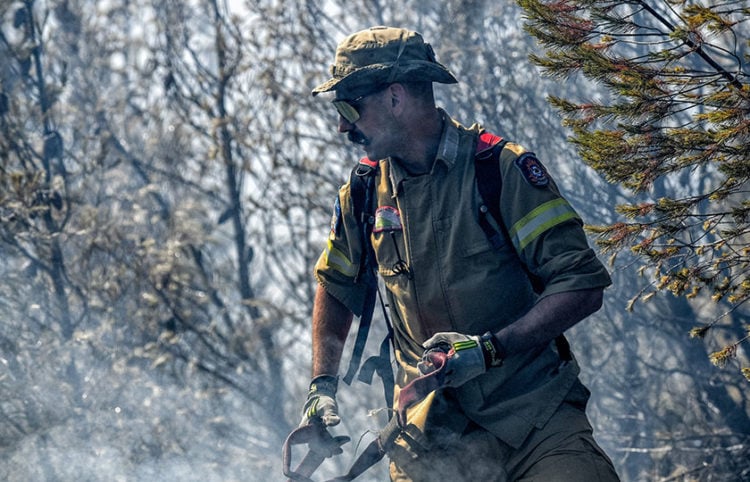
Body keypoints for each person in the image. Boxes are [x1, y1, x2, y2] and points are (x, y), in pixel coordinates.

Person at [300, 26, 620, 481]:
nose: (342, 126)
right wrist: (321, 388)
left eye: (350, 107)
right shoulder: (365, 191)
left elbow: (582, 284)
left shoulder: (502, 170)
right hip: (430, 439)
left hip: (534, 420)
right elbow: (336, 283)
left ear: (395, 98)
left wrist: (491, 349)